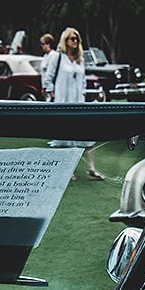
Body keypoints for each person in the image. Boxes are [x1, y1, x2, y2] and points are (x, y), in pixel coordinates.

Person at [41, 27, 103, 180]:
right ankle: (68, 170)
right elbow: (48, 77)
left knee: (88, 134)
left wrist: (82, 94)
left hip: (79, 103)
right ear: (65, 40)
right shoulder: (58, 57)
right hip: (63, 102)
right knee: (65, 136)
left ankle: (91, 169)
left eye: (77, 39)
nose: (75, 41)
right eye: (72, 38)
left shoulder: (80, 59)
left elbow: (82, 81)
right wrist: (50, 91)